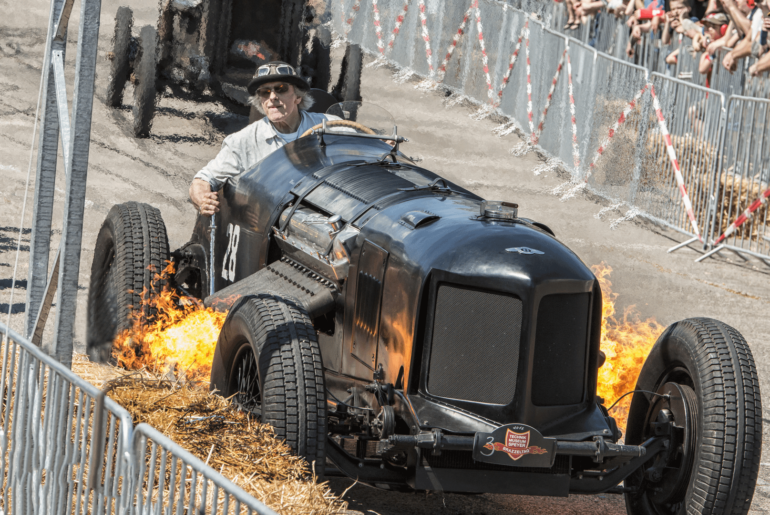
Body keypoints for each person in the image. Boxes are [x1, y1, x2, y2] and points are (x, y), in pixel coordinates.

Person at [189, 62, 340, 216]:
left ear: (298, 97)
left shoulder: (332, 126)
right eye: (265, 92)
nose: (273, 97)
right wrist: (203, 200)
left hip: (332, 209)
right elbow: (203, 178)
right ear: (260, 101)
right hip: (272, 223)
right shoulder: (243, 141)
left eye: (281, 89)